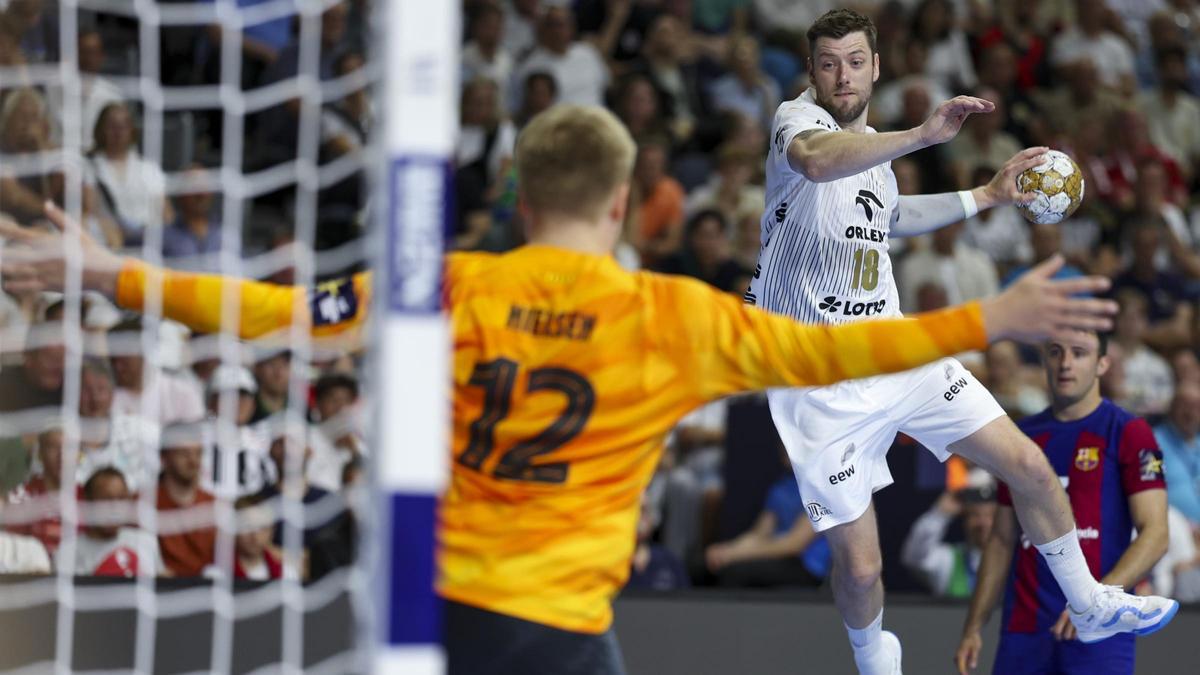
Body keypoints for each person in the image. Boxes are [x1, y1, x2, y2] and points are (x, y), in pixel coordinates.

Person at [3, 102, 1124, 675]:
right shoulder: (669, 316)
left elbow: (273, 315)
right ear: (631, 196)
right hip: (558, 629)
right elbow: (832, 355)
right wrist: (992, 320)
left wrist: (104, 271)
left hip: (432, 616)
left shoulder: (449, 285)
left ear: (521, 191)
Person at [746, 9, 1176, 674]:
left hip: (895, 355)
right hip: (817, 380)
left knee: (1030, 467)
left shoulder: (877, 158)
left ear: (877, 66)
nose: (842, 75)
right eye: (829, 63)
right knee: (861, 570)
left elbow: (891, 215)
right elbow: (817, 162)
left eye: (855, 61)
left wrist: (985, 194)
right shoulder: (797, 124)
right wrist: (922, 133)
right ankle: (872, 655)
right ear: (811, 70)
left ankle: (1089, 600)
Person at [956, 329, 1171, 675]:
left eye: (1079, 352)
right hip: (1024, 627)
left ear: (1102, 364)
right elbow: (1000, 539)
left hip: (1099, 634)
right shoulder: (1021, 436)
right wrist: (973, 627)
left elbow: (1156, 533)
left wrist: (1094, 604)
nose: (1066, 363)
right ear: (1044, 360)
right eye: (1055, 352)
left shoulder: (1130, 431)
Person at [900, 487, 996, 598]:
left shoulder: (1014, 562)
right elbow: (915, 557)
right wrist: (939, 514)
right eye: (975, 515)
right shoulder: (949, 560)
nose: (983, 523)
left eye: (991, 515)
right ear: (965, 520)